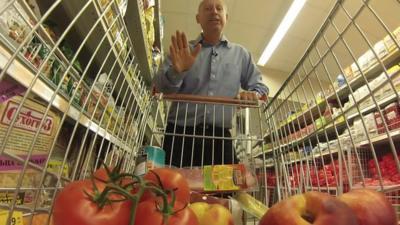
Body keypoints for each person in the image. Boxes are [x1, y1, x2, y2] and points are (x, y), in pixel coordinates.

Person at [154, 0, 269, 168]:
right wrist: (177, 72)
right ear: (197, 18)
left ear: (226, 17)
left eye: (219, 8)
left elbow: (261, 87)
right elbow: (161, 88)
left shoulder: (241, 54)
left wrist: (253, 94)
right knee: (174, 190)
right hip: (179, 135)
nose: (214, 12)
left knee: (224, 193)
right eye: (207, 8)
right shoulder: (183, 51)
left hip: (220, 139)